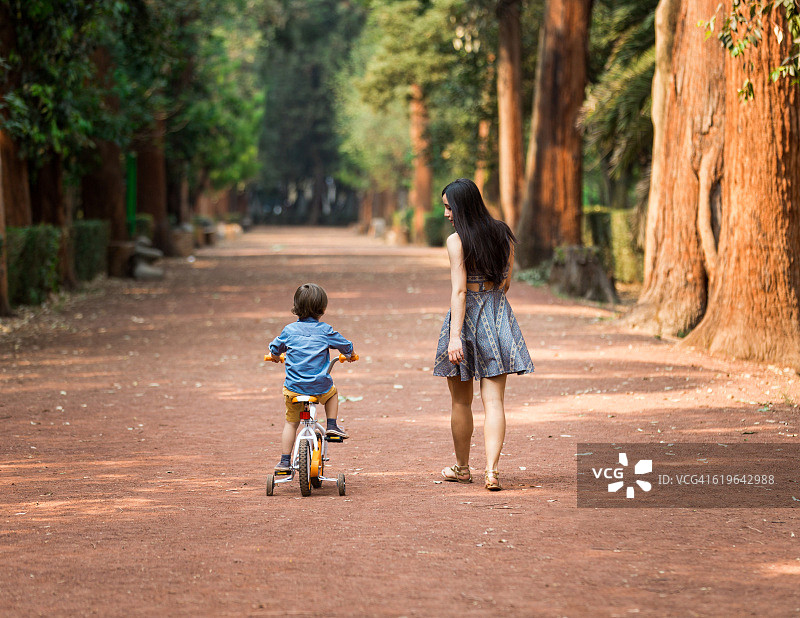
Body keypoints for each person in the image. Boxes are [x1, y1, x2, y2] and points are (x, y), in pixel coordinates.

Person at [433, 178, 534, 491]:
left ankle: (463, 468)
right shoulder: (503, 233)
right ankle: (492, 471)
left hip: (466, 318)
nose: (447, 213)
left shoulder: (456, 241)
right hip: (497, 315)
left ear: (462, 206)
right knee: (495, 402)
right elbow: (506, 282)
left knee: (461, 403)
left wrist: (454, 337)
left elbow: (460, 291)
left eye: (450, 207)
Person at [268, 283, 356, 474]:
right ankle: (331, 425)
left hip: (294, 388)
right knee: (332, 393)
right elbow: (345, 345)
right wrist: (350, 354)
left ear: (295, 307)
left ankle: (284, 462)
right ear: (322, 309)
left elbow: (275, 348)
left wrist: (275, 357)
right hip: (319, 387)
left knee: (291, 422)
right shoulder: (325, 330)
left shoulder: (289, 331)